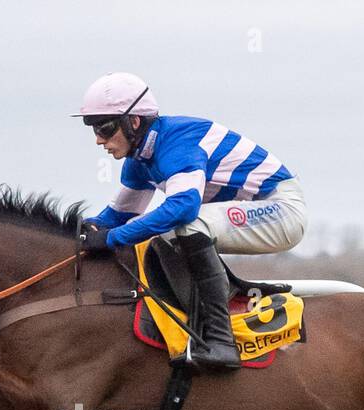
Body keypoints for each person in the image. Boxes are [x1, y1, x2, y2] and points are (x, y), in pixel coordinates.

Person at [75, 72, 308, 369]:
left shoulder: (176, 143)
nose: (98, 139)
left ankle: (221, 342)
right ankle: (214, 307)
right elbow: (117, 217)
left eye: (105, 128)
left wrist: (111, 238)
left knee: (186, 225)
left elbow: (183, 208)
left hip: (281, 209)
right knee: (162, 238)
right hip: (248, 212)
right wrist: (79, 231)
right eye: (93, 128)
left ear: (134, 122)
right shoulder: (140, 159)